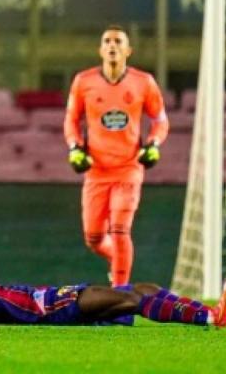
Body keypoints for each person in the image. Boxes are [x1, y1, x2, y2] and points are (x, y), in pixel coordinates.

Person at [0, 245, 226, 327]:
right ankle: (212, 318)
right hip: (59, 307)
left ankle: (217, 315)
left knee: (144, 289)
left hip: (58, 299)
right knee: (135, 298)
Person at [64, 25, 169, 288]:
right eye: (107, 41)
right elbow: (71, 119)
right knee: (94, 238)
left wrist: (154, 144)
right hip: (96, 171)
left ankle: (120, 291)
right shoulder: (83, 81)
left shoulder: (144, 82)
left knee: (120, 230)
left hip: (128, 168)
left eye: (118, 42)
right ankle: (118, 262)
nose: (112, 45)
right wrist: (75, 147)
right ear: (101, 49)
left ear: (128, 51)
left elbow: (160, 120)